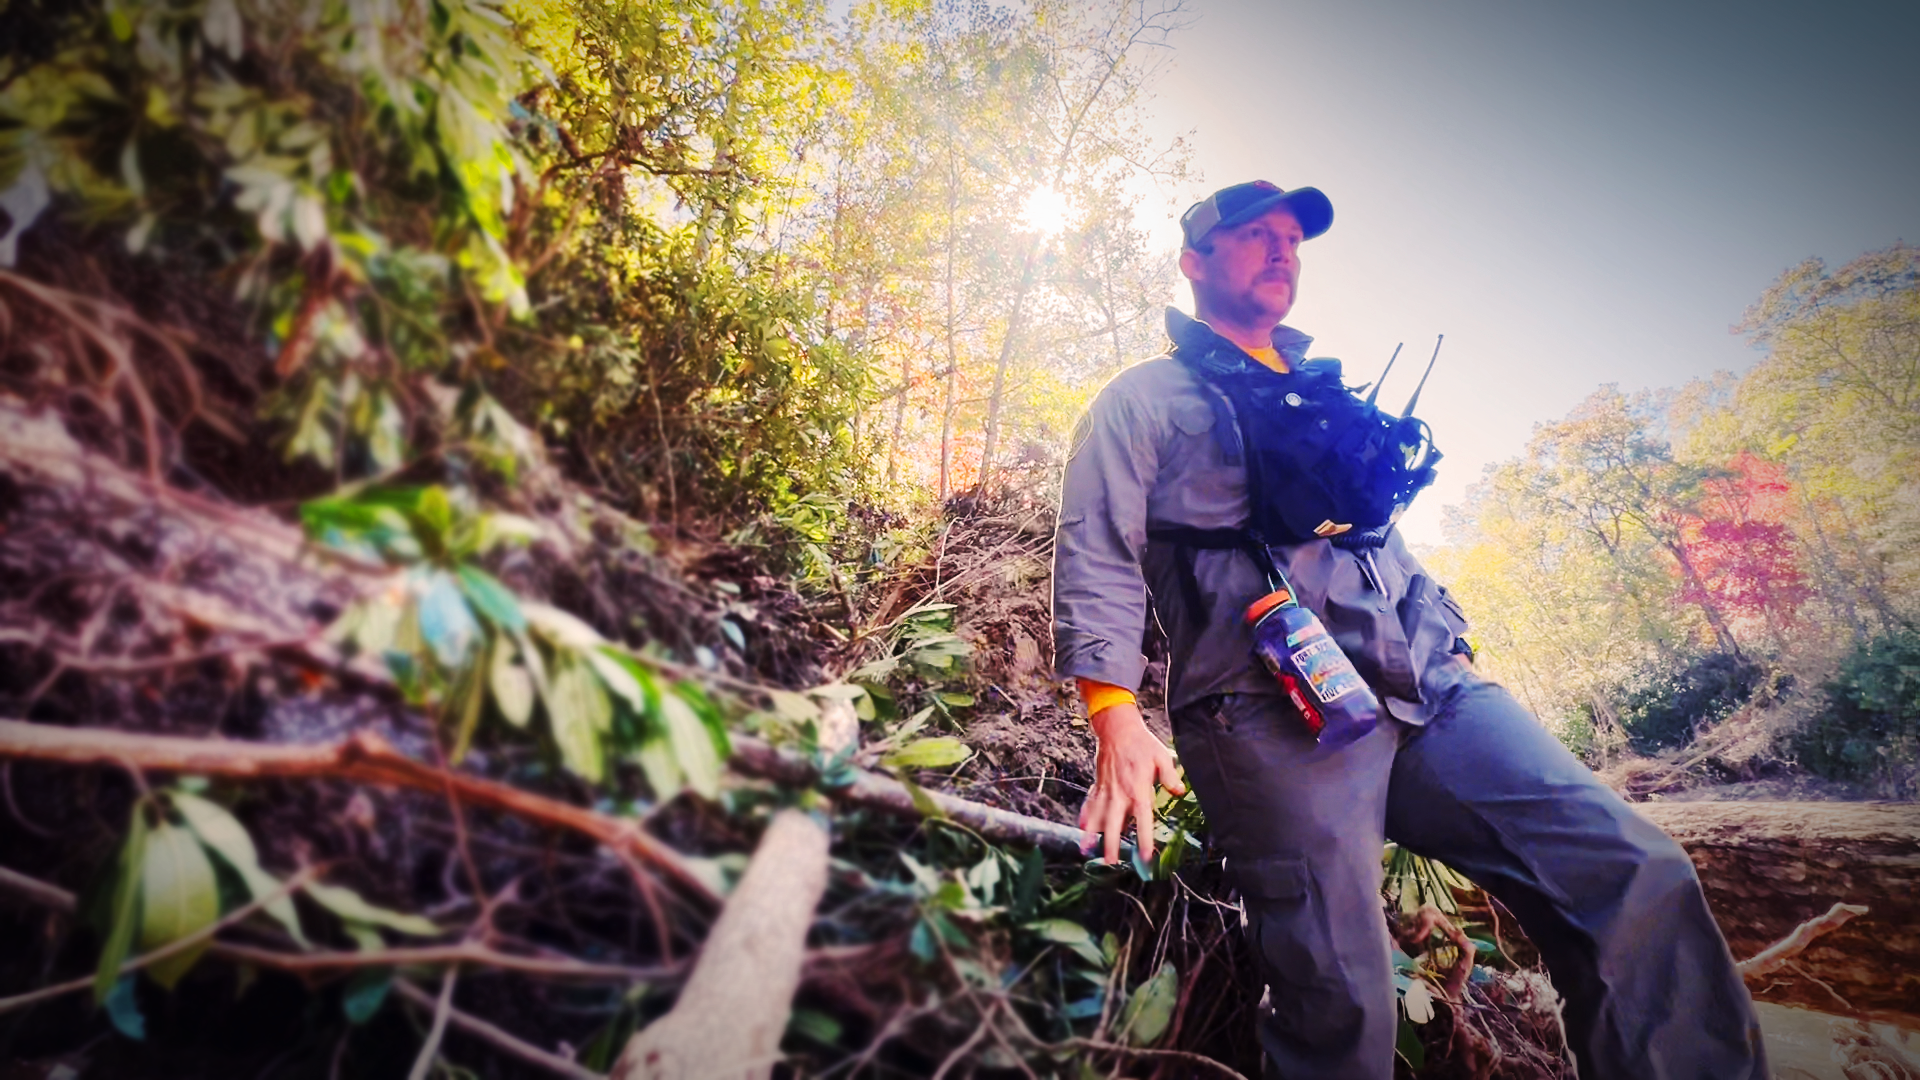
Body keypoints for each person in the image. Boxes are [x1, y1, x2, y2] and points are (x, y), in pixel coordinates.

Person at [1050, 180, 1768, 1079]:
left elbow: (1384, 545)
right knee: (1340, 1003)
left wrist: (1450, 638)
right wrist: (1113, 708)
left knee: (1631, 872)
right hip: (1270, 716)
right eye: (1254, 236)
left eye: (1292, 240)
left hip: (1427, 689)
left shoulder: (1324, 393)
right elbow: (1096, 546)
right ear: (1195, 262)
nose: (1283, 251)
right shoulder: (1140, 400)